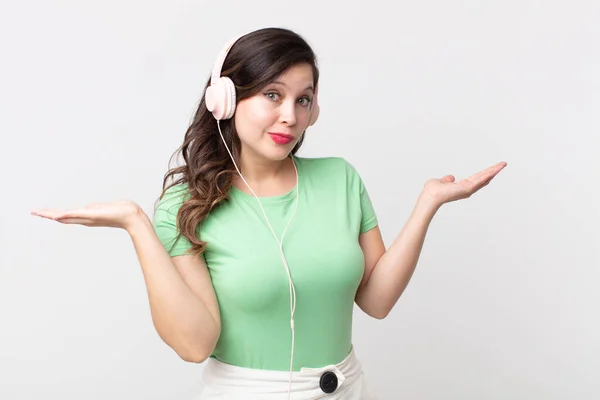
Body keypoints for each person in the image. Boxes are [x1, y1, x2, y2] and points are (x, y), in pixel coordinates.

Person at [31, 27, 507, 399]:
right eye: (273, 95)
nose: (290, 116)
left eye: (303, 99)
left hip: (349, 388)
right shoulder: (186, 205)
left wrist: (427, 205)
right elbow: (195, 344)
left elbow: (376, 301)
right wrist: (136, 223)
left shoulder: (340, 178)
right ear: (227, 99)